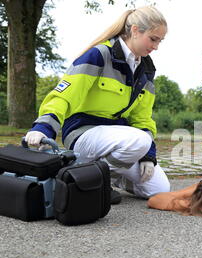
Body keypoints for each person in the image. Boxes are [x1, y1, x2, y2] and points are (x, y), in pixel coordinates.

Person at [25, 6, 170, 204]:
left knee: (159, 188)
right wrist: (43, 128)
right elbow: (64, 95)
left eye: (160, 41)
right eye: (153, 39)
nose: (156, 47)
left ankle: (105, 175)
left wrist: (148, 156)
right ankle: (99, 180)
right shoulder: (99, 55)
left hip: (118, 139)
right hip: (83, 133)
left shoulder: (146, 70)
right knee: (139, 141)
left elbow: (142, 118)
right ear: (135, 30)